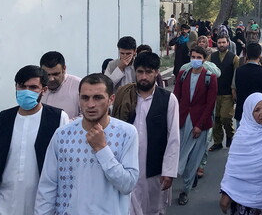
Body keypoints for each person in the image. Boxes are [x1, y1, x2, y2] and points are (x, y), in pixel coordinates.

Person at [35, 73, 139, 214]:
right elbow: (48, 186)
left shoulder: (126, 133)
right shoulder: (62, 135)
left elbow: (127, 184)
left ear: (111, 99)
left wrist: (102, 149)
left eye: (98, 98)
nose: (90, 104)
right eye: (85, 98)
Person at [0, 66, 68, 215]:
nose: (26, 91)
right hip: (2, 202)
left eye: (33, 87)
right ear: (16, 87)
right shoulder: (4, 118)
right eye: (22, 86)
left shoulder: (57, 118)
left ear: (44, 90)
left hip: (40, 203)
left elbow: (64, 163)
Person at [112, 52, 180, 215]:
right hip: (126, 165)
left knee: (153, 208)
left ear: (156, 73)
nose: (143, 77)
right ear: (135, 72)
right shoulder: (124, 96)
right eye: (140, 72)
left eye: (148, 72)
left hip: (154, 168)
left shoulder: (168, 99)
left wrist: (169, 171)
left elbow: (173, 137)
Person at [219, 93, 262, 215]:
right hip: (245, 199)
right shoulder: (241, 136)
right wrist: (226, 193)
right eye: (256, 110)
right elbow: (233, 169)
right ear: (249, 113)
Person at [173, 46, 218, 206]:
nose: (195, 60)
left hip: (200, 123)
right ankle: (184, 179)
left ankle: (185, 190)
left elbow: (210, 104)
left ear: (204, 60)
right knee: (180, 155)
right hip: (182, 120)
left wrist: (199, 125)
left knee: (194, 159)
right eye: (193, 57)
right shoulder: (183, 75)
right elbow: (175, 98)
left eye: (199, 57)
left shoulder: (210, 78)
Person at [233, 43, 262, 123]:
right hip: (261, 115)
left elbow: (234, 91)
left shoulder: (238, 71)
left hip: (242, 113)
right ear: (259, 55)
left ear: (247, 55)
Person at [209, 35, 240, 152]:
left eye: (223, 42)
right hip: (214, 92)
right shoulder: (211, 57)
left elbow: (236, 75)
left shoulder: (234, 58)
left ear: (228, 43)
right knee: (216, 118)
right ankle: (217, 142)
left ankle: (230, 135)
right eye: (219, 42)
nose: (221, 45)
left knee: (225, 117)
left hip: (228, 93)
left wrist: (234, 90)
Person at [40, 51, 82, 119]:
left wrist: (64, 123)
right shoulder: (35, 86)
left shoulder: (79, 86)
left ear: (64, 69)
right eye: (47, 75)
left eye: (56, 74)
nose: (51, 79)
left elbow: (86, 117)